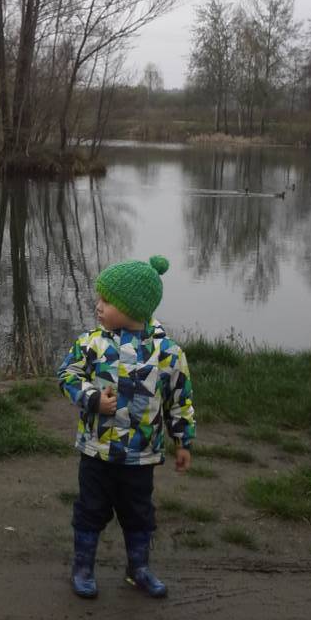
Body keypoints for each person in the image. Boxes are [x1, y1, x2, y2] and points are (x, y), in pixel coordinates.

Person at [57, 254, 195, 600]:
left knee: (139, 514)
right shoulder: (92, 343)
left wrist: (183, 441)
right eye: (99, 298)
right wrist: (91, 398)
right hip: (97, 451)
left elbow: (179, 399)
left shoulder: (167, 353)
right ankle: (83, 567)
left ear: (133, 308)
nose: (98, 306)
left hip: (140, 455)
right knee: (90, 511)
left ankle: (139, 569)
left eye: (107, 301)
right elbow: (68, 374)